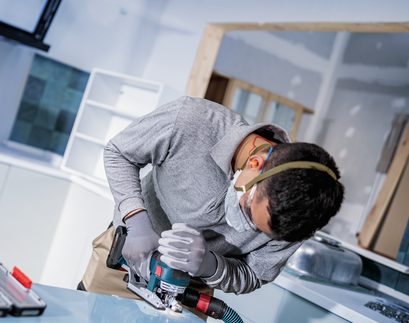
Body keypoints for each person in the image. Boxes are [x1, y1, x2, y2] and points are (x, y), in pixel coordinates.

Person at [78, 96, 344, 303]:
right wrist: (136, 220)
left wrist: (209, 265)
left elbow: (253, 274)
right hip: (124, 256)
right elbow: (119, 152)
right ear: (255, 163)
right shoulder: (191, 120)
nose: (244, 227)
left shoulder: (299, 216)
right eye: (249, 212)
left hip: (189, 289)